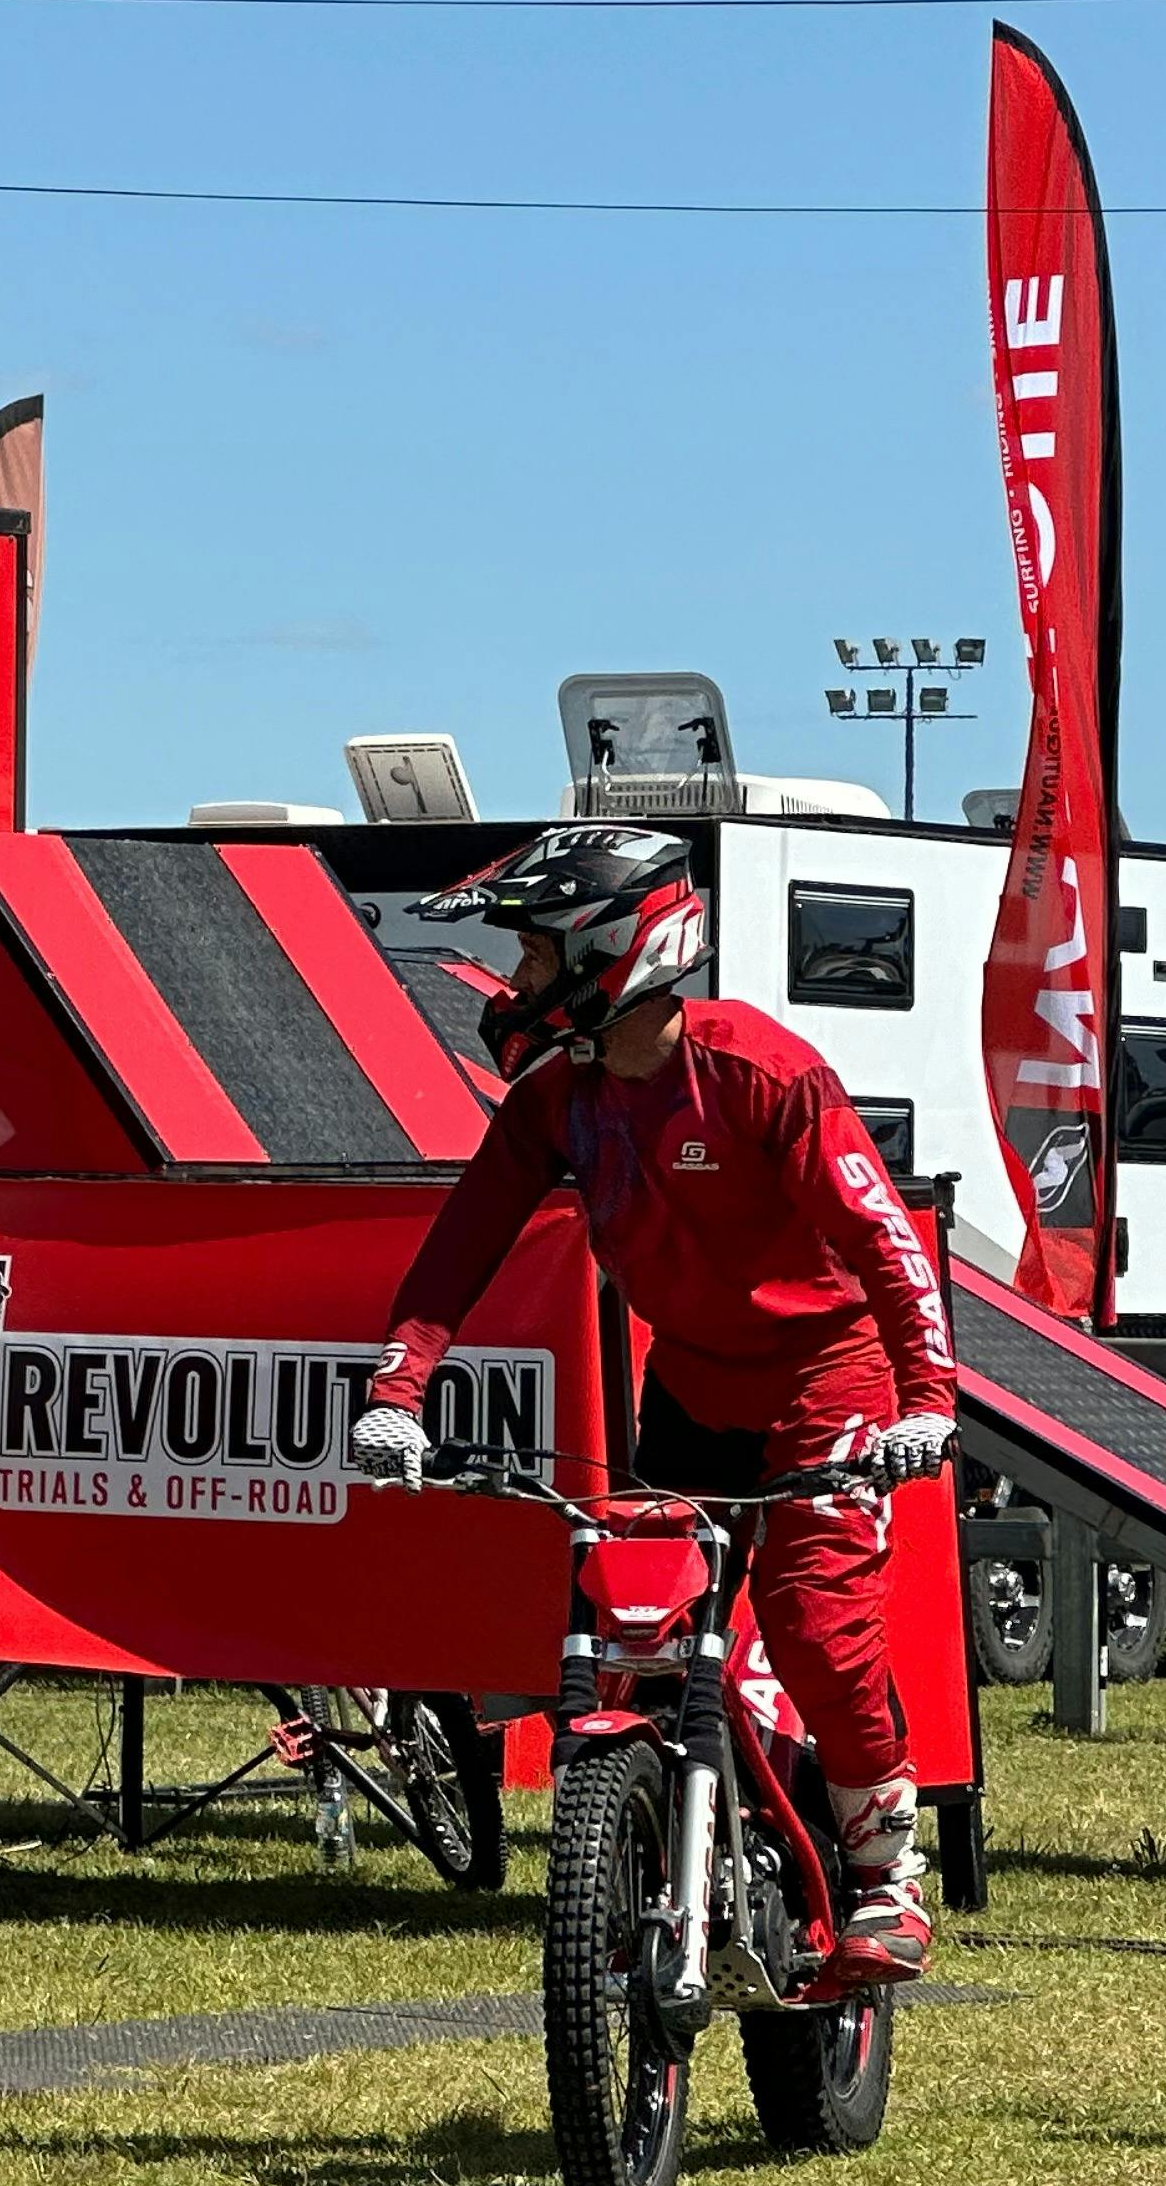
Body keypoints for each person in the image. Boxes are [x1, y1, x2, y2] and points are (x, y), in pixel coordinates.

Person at [345, 821, 957, 1980]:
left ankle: (887, 1875)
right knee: (639, 1634)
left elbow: (887, 1242)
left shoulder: (761, 1072)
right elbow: (458, 1249)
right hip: (690, 1383)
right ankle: (665, 1856)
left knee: (818, 1628)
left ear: (610, 955)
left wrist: (925, 1402)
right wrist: (397, 1393)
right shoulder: (558, 1097)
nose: (514, 983)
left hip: (828, 1377)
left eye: (535, 956)